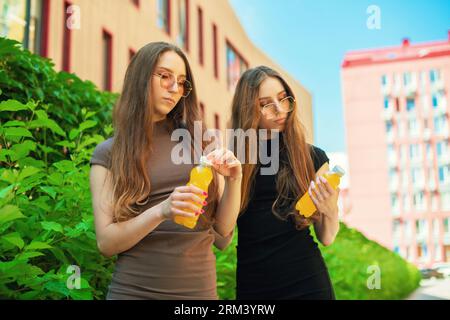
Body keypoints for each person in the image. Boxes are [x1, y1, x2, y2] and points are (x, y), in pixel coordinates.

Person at [89, 42, 242, 300]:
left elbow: (223, 236)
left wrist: (235, 179)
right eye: (164, 76)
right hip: (133, 292)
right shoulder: (108, 153)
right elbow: (107, 243)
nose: (174, 88)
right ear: (141, 78)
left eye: (181, 82)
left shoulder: (200, 141)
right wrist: (161, 211)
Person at [230, 66, 340, 300]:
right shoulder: (234, 161)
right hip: (253, 285)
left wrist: (330, 209)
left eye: (283, 99)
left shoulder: (313, 158)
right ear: (248, 110)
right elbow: (222, 236)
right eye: (266, 104)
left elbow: (327, 237)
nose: (279, 110)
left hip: (307, 282)